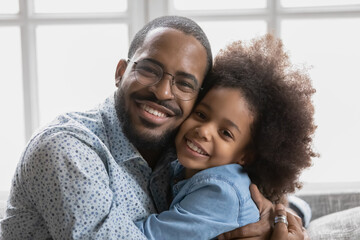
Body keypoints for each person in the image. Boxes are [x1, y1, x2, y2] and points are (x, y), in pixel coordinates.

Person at [0, 15, 305, 240]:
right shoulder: (66, 149)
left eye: (184, 84)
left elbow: (257, 197)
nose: (162, 92)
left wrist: (277, 216)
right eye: (149, 70)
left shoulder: (181, 150)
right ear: (121, 72)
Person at [134, 34, 317, 239]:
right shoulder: (179, 162)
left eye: (226, 133)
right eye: (201, 115)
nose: (203, 131)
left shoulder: (220, 190)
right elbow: (300, 207)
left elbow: (148, 236)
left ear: (246, 156)